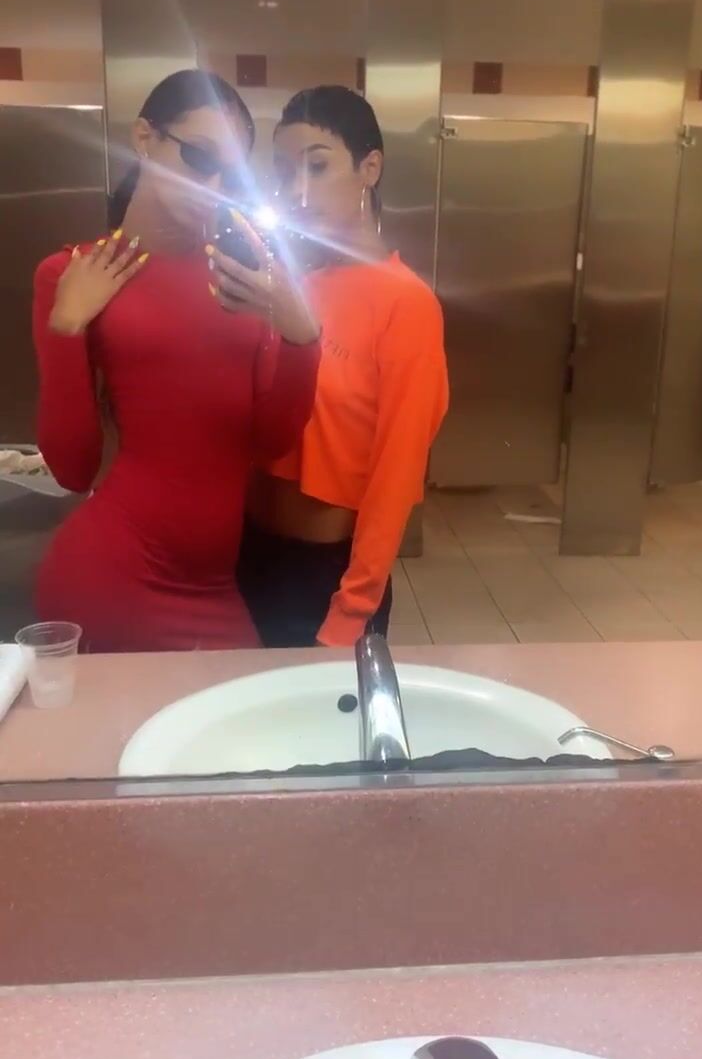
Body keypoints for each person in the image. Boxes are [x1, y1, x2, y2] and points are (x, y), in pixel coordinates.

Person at [33, 69, 320, 652]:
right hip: (113, 576)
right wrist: (66, 329)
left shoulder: (239, 280)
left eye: (229, 174)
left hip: (216, 587)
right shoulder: (71, 274)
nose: (212, 185)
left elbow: (269, 442)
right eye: (199, 157)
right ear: (145, 137)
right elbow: (72, 469)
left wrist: (302, 340)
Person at [215, 85, 448, 648]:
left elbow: (396, 472)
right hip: (244, 559)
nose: (297, 189)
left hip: (325, 578)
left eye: (317, 167)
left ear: (370, 168)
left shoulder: (406, 303)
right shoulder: (291, 287)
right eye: (283, 171)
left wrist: (354, 608)